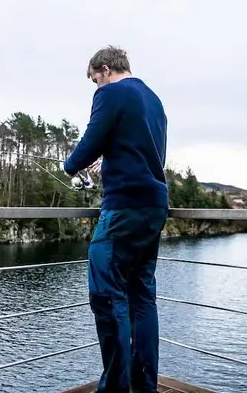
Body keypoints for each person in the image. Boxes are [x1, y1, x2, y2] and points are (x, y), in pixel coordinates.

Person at [64, 46, 169, 393]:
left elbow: (90, 142)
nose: (96, 86)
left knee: (106, 296)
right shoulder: (153, 99)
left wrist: (70, 164)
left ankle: (114, 389)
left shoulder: (110, 93)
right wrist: (108, 164)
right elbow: (143, 153)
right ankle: (144, 386)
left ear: (105, 70)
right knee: (141, 295)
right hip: (153, 205)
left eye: (95, 79)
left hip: (123, 207)